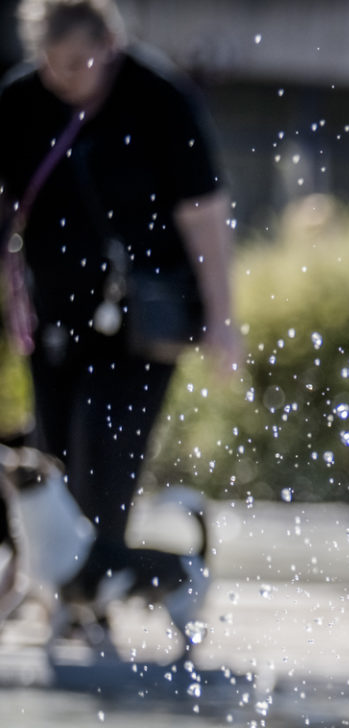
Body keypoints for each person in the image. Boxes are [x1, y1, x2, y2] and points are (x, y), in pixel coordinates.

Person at [0, 0, 234, 641]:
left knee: (109, 456)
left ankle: (91, 600)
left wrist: (223, 317)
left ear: (111, 42)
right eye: (51, 64)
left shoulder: (159, 98)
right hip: (55, 311)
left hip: (146, 319)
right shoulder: (20, 101)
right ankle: (60, 592)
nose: (63, 78)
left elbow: (203, 214)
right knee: (55, 453)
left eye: (77, 63)